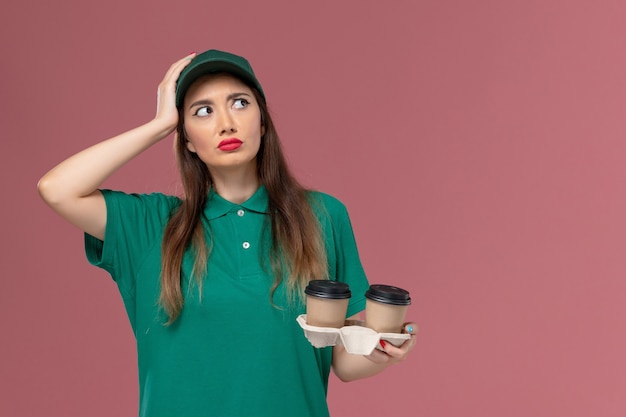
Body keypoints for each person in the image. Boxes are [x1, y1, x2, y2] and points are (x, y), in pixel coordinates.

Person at [38, 49, 418, 417]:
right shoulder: (152, 224)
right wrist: (157, 126)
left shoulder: (322, 216)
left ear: (263, 121)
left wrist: (380, 350)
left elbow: (343, 361)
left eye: (239, 103)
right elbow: (57, 189)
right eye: (202, 111)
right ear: (185, 137)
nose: (226, 122)